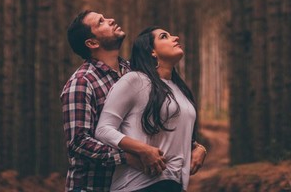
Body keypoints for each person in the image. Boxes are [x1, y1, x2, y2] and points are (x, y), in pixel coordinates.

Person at [95, 26, 208, 192]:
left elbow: (172, 134)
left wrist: (199, 148)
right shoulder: (134, 80)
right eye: (164, 36)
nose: (175, 38)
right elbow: (103, 130)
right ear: (152, 51)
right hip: (137, 185)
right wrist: (143, 150)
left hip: (175, 185)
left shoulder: (179, 89)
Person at [62, 10, 163, 192]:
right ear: (92, 43)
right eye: (101, 22)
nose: (111, 20)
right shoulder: (82, 82)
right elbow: (79, 141)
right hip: (92, 186)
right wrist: (126, 157)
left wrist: (195, 146)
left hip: (132, 184)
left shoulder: (133, 71)